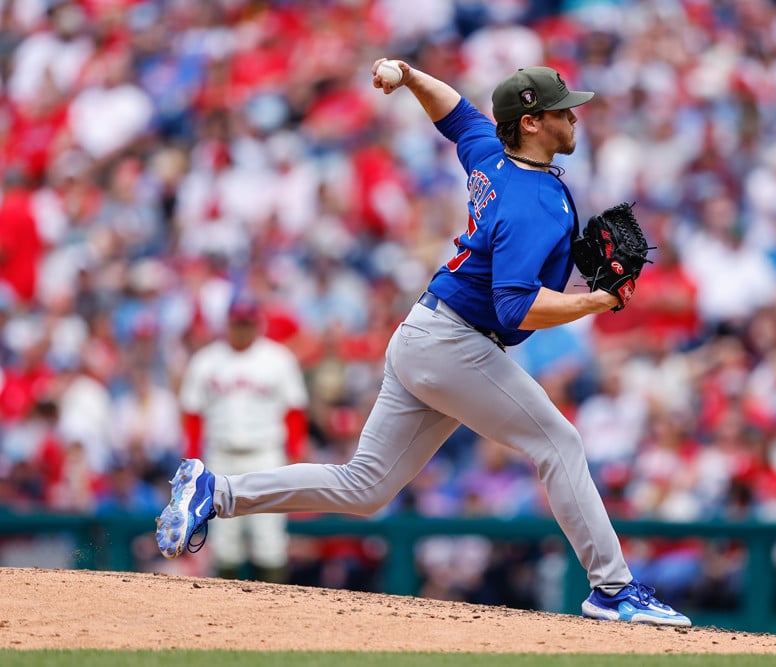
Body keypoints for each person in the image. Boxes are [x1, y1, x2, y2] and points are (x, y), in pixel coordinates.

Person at [155, 58, 691, 626]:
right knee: (560, 444)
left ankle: (214, 492)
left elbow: (456, 114)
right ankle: (613, 589)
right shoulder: (528, 200)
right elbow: (516, 306)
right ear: (532, 122)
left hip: (426, 334)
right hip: (454, 344)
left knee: (364, 487)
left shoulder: (492, 153)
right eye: (563, 109)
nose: (575, 117)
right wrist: (596, 301)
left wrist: (408, 75)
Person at [173, 291, 309, 583]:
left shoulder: (277, 358)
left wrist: (295, 452)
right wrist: (192, 458)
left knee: (269, 539)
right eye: (238, 322)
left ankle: (274, 610)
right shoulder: (207, 361)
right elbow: (192, 413)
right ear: (228, 323)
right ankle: (225, 615)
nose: (243, 328)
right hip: (221, 455)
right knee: (225, 543)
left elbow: (295, 410)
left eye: (248, 323)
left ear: (257, 323)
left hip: (266, 454)